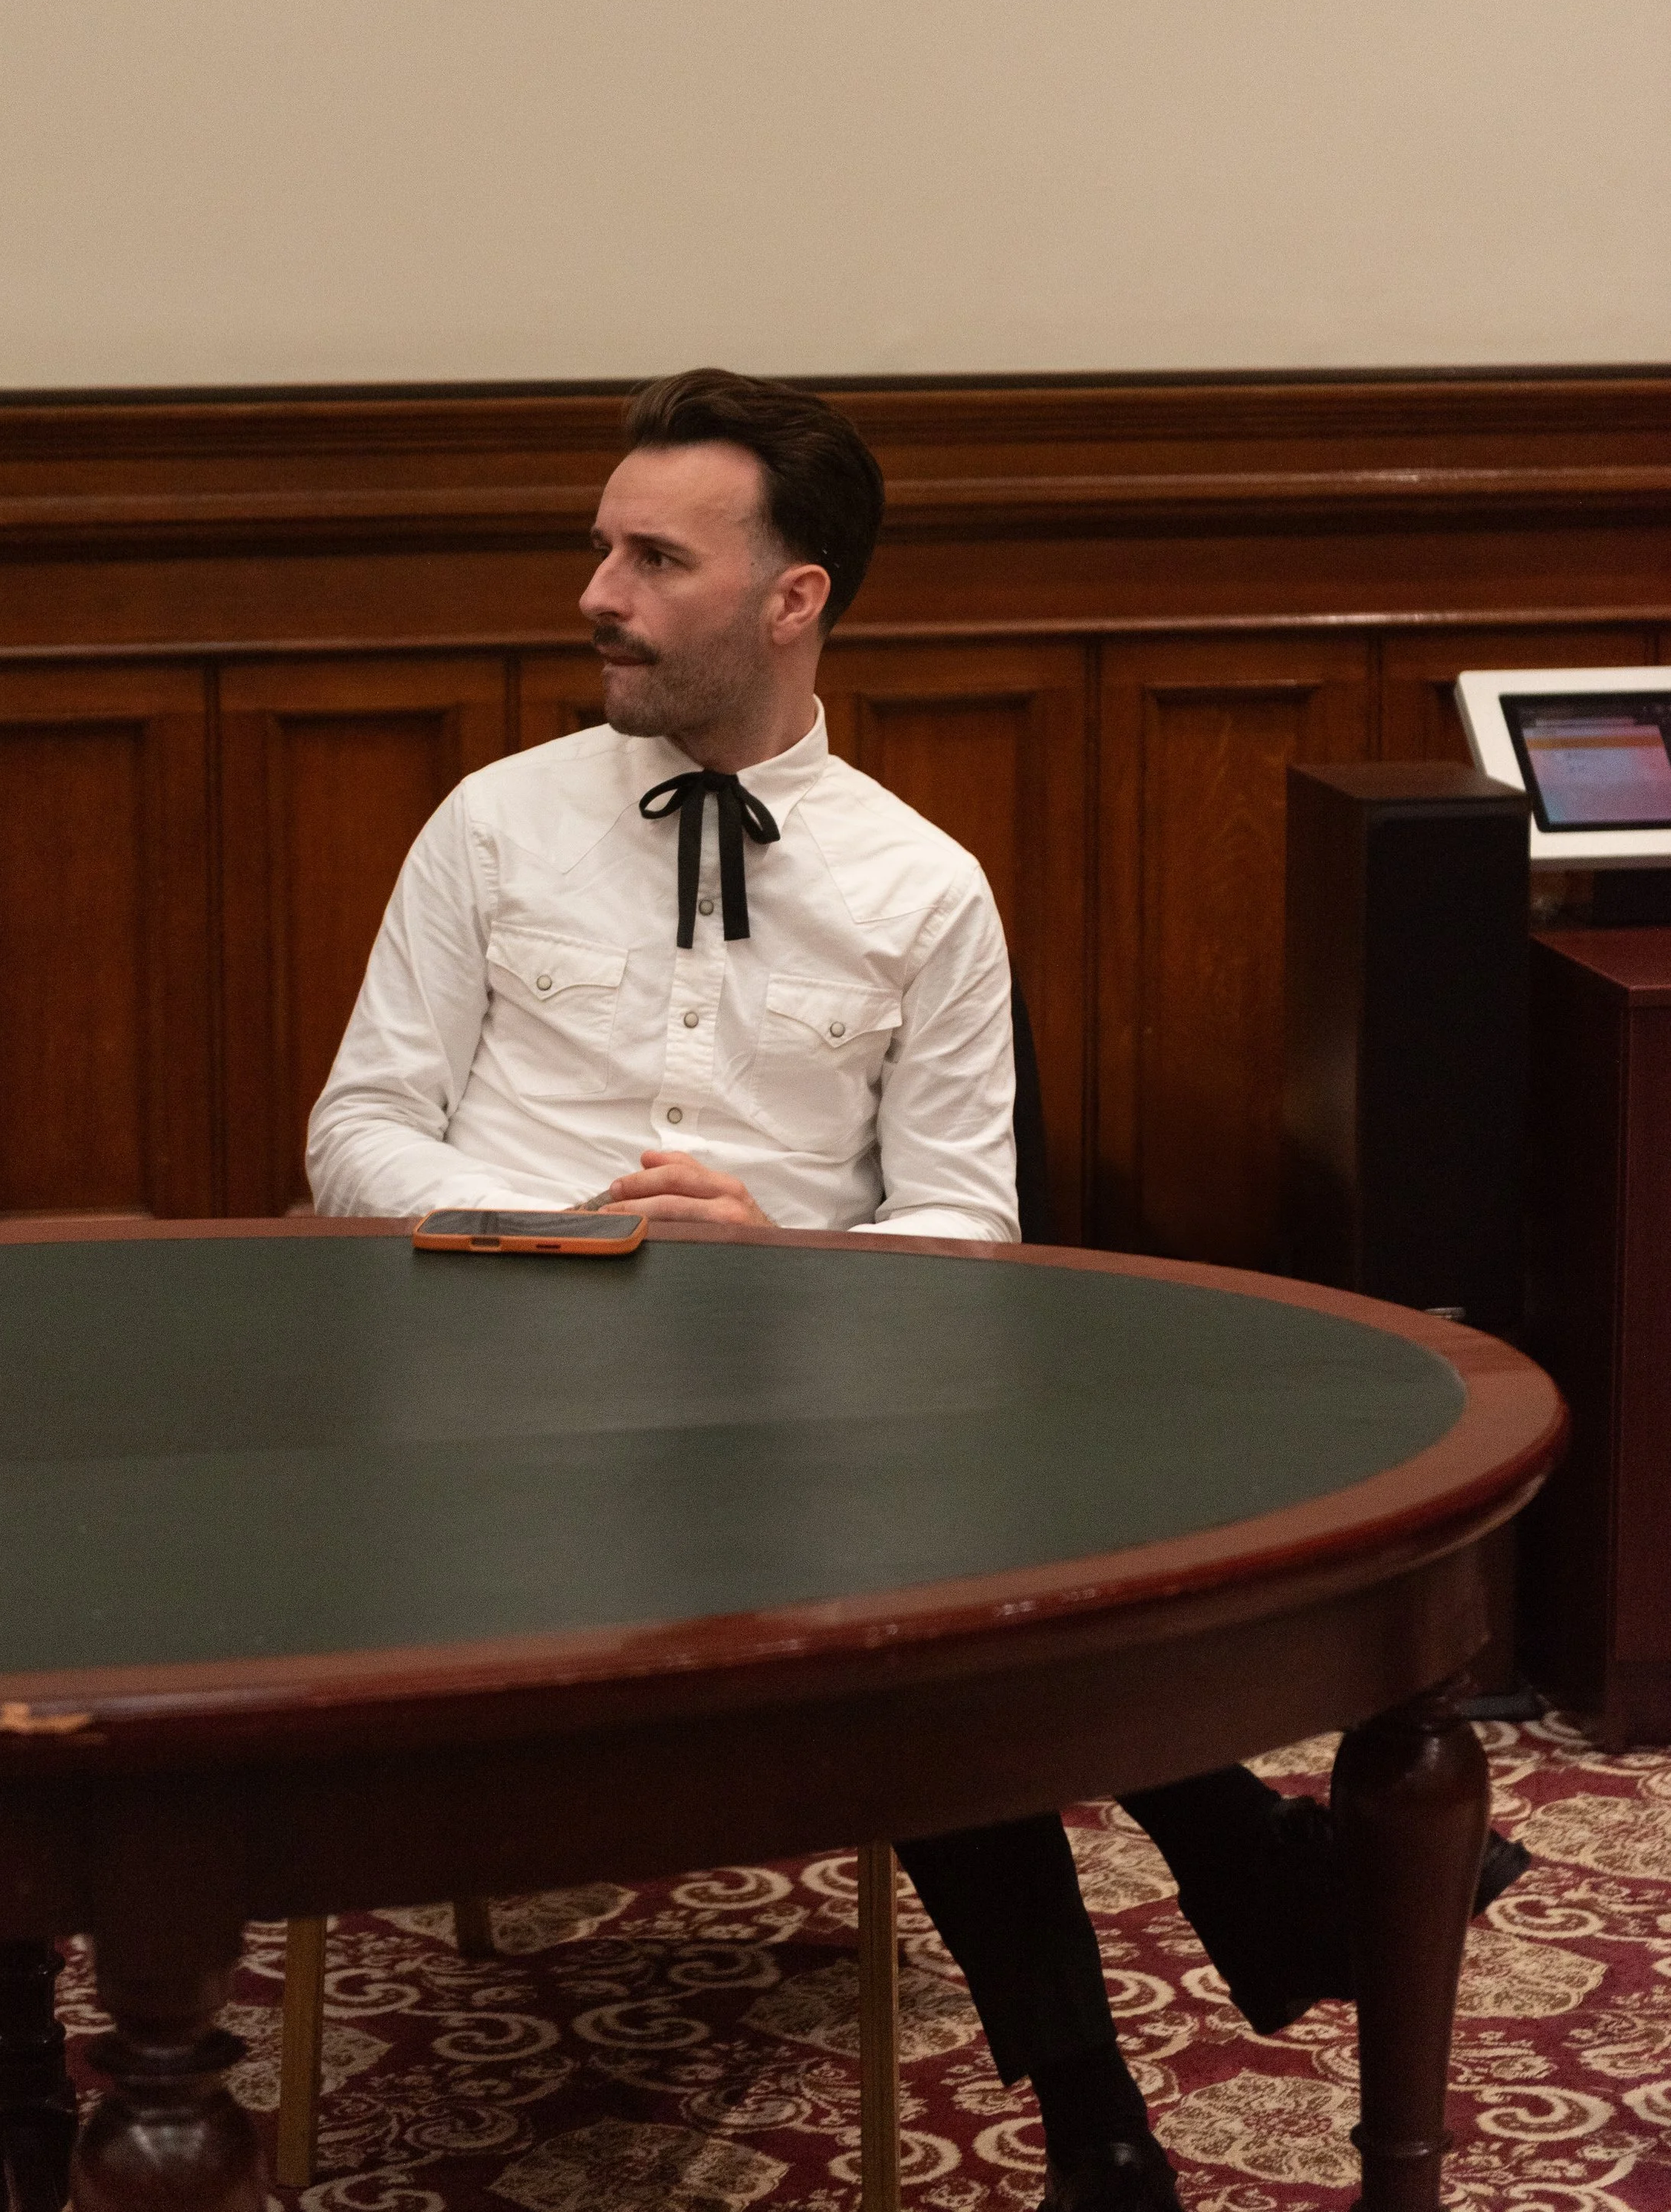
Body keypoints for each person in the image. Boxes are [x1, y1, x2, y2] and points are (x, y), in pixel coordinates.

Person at [308, 366, 1522, 2212]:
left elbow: (964, 1230)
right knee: (948, 1612)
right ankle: (1220, 1943)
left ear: (793, 597)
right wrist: (585, 1236)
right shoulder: (492, 826)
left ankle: (1111, 2116)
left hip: (797, 1421)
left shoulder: (921, 887)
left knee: (941, 1598)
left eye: (651, 557)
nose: (596, 596)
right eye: (598, 550)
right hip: (495, 1408)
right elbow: (358, 1136)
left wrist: (770, 1276)